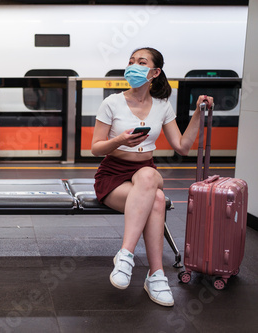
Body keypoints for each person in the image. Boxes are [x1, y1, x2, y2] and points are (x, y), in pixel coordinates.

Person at [91, 47, 214, 307]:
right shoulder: (112, 102)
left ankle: (126, 256)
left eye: (141, 62)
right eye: (131, 61)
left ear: (155, 72)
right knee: (157, 200)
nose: (133, 66)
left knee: (147, 176)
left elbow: (182, 146)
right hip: (113, 176)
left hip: (145, 172)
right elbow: (95, 148)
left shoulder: (162, 106)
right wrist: (121, 139)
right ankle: (156, 275)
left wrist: (197, 114)